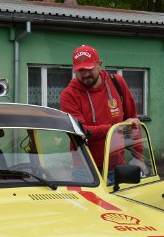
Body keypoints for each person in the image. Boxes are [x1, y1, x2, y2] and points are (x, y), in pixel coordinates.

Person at [60, 45, 142, 175]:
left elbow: (133, 122)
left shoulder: (117, 83)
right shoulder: (69, 95)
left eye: (89, 68)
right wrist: (114, 128)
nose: (85, 74)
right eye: (80, 70)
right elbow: (81, 132)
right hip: (84, 171)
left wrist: (139, 157)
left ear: (99, 65)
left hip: (116, 168)